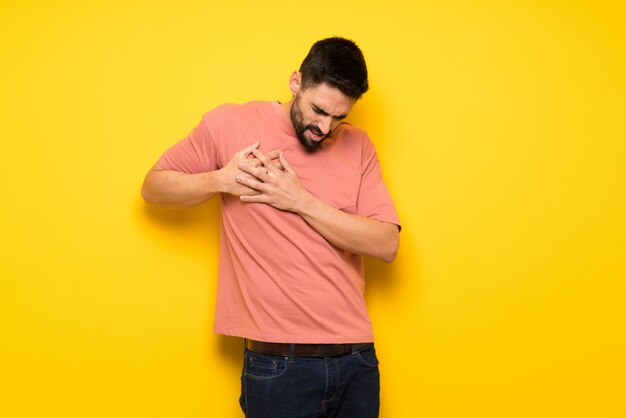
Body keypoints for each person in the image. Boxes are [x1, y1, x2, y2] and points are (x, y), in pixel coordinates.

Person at [141, 37, 401, 418]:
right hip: (280, 366)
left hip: (357, 360)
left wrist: (299, 199)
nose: (325, 127)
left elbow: (386, 244)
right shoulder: (230, 124)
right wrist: (221, 180)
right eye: (318, 110)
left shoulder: (358, 145)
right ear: (296, 81)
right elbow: (153, 186)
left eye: (339, 117)